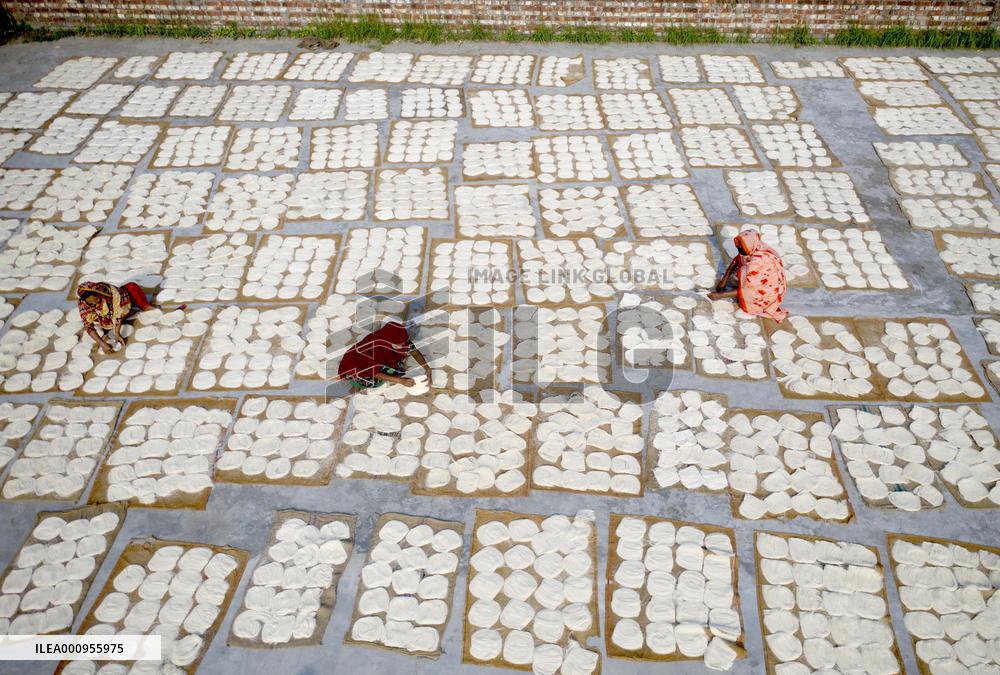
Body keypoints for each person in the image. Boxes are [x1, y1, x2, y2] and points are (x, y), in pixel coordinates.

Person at [708, 229, 789, 323]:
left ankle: (757, 304)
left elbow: (750, 289)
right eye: (738, 245)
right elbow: (736, 260)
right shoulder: (753, 247)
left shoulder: (760, 261)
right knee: (743, 270)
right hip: (758, 282)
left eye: (741, 246)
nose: (739, 248)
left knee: (748, 292)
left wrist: (720, 295)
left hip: (768, 293)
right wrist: (724, 281)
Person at [338, 320, 433, 390]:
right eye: (398, 344)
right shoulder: (374, 347)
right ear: (387, 341)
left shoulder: (399, 338)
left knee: (397, 368)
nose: (401, 347)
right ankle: (355, 383)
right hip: (357, 366)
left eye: (403, 343)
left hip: (376, 361)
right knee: (376, 382)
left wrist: (427, 368)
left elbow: (415, 352)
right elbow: (374, 373)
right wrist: (400, 381)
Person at [77, 281, 157, 354]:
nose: (96, 304)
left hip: (120, 307)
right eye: (91, 304)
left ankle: (143, 305)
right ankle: (113, 322)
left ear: (99, 294)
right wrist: (102, 343)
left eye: (97, 300)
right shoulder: (84, 305)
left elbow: (118, 313)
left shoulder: (110, 292)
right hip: (106, 318)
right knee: (92, 318)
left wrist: (117, 333)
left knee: (132, 287)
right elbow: (89, 327)